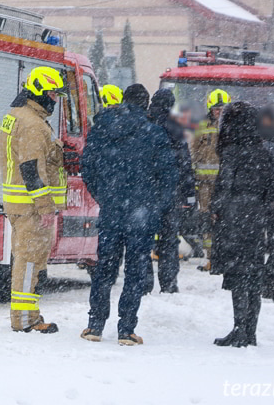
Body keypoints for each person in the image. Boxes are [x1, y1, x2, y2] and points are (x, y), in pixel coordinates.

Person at [79, 84, 178, 345]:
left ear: (123, 100)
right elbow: (169, 176)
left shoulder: (102, 127)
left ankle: (95, 325)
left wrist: (103, 195)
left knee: (104, 269)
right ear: (145, 104)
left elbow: (87, 165)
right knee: (135, 271)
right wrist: (155, 204)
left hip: (112, 210)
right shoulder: (154, 133)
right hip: (141, 213)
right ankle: (126, 330)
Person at [0, 66, 67, 334]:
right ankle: (25, 319)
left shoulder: (19, 116)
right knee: (29, 262)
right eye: (52, 93)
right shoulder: (32, 124)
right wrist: (45, 207)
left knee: (27, 260)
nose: (55, 99)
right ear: (39, 91)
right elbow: (31, 169)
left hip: (20, 205)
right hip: (31, 208)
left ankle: (27, 315)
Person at [210, 102, 274, 347]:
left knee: (238, 275)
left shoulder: (232, 152)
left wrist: (217, 210)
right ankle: (250, 331)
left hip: (235, 218)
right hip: (256, 218)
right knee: (253, 275)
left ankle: (239, 328)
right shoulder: (262, 151)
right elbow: (272, 190)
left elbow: (224, 186)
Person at [145, 89, 196, 294]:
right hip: (170, 192)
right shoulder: (176, 127)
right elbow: (184, 163)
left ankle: (145, 282)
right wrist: (189, 193)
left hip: (146, 192)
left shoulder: (145, 122)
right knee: (169, 239)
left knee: (145, 240)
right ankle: (168, 283)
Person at [190, 88, 230, 271]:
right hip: (204, 183)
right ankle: (210, 257)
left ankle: (223, 255)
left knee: (224, 218)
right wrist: (192, 175)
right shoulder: (202, 126)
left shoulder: (230, 127)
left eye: (222, 109)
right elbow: (194, 151)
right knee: (206, 218)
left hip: (224, 183)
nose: (219, 112)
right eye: (216, 109)